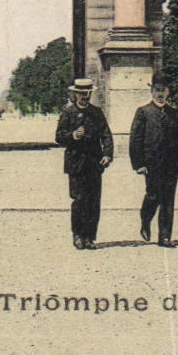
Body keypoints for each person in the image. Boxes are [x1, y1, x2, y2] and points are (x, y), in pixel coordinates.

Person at [129, 73, 178, 247]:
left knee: (168, 201)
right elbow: (135, 140)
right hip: (151, 164)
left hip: (171, 164)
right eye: (156, 90)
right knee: (153, 196)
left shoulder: (175, 114)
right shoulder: (143, 112)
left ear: (168, 92)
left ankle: (164, 236)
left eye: (163, 90)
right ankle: (145, 219)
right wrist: (139, 164)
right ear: (152, 92)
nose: (160, 94)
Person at [54, 77, 113, 250]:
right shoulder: (68, 113)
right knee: (79, 200)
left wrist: (108, 154)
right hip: (76, 163)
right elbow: (58, 136)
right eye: (80, 94)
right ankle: (78, 235)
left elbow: (106, 135)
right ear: (75, 94)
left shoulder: (97, 113)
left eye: (87, 94)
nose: (84, 97)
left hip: (94, 163)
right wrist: (72, 136)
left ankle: (89, 237)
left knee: (93, 201)